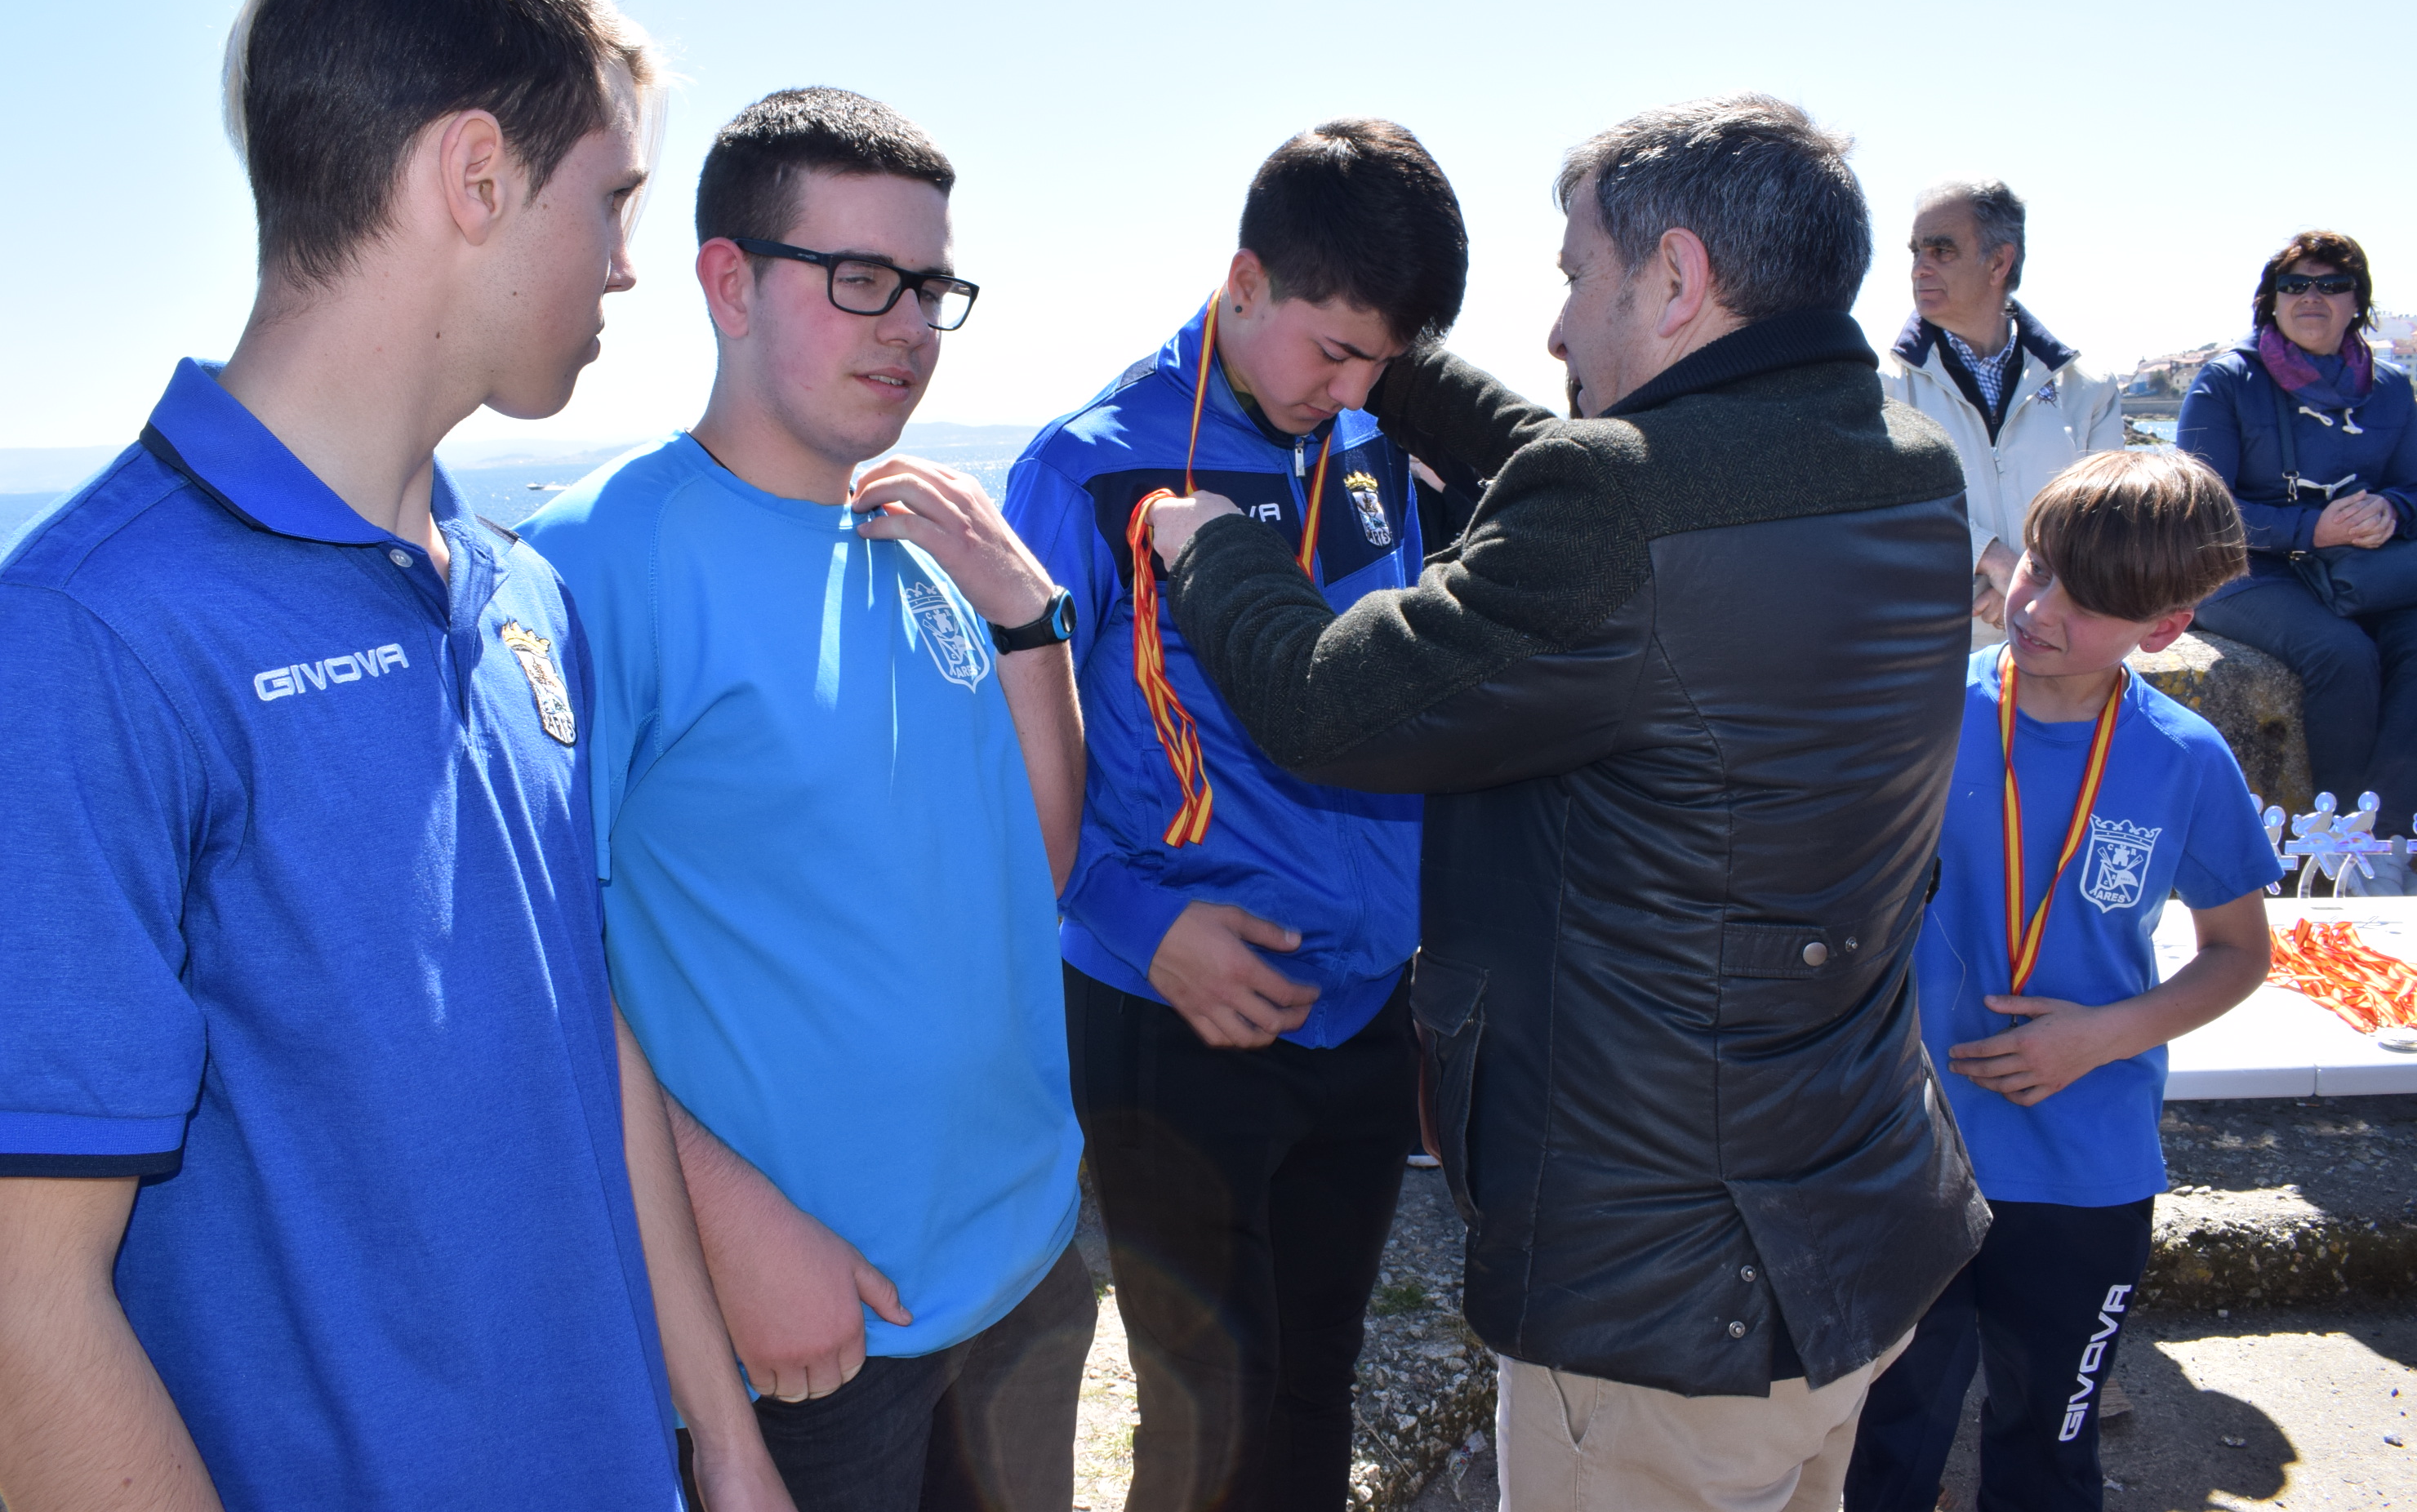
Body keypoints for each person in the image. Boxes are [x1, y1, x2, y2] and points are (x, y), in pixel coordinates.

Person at [0, 0, 785, 1512]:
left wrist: (724, 1436)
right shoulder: (85, 641)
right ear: (475, 176)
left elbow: (581, 1028)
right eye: (610, 198)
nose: (627, 263)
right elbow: (13, 1315)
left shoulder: (523, 595)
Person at [1145, 93, 1989, 1512]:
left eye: (1575, 276)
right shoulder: (1900, 466)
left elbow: (1328, 702)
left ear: (1677, 277)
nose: (1554, 327)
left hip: (1661, 1310)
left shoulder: (1624, 514)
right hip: (1850, 1232)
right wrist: (1399, 365)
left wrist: (1214, 548)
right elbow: (1611, 484)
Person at [519, 87, 1093, 1512]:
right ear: (727, 283)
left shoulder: (923, 540)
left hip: (1026, 1263)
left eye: (930, 287)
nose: (908, 326)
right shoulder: (592, 563)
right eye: (859, 279)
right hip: (808, 1324)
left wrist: (1030, 625)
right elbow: (525, 963)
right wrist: (731, 1229)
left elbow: (1032, 871)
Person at [1002, 119, 1467, 1510]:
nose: (1356, 388)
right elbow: (1009, 768)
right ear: (1246, 280)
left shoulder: (1371, 445)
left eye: (1381, 360)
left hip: (1360, 1009)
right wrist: (1144, 927)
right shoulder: (1087, 465)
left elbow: (1404, 697)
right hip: (1176, 1013)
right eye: (1334, 350)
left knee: (1317, 1386)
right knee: (1208, 1419)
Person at [1845, 450, 2277, 1512]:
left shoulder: (2185, 758)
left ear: (2164, 629)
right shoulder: (1915, 709)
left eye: (2085, 605)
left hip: (2085, 1166)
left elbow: (2239, 952)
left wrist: (2098, 1036)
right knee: (1881, 1443)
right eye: (2037, 570)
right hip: (1906, 1153)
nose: (2037, 610)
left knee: (2049, 1445)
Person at [2180, 231, 2417, 877]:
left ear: (2357, 303)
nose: (2312, 296)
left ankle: (2389, 837)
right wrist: (2314, 528)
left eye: (2332, 284)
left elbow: (2412, 487)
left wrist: (2392, 510)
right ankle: (2342, 846)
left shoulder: (2392, 389)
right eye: (2296, 285)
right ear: (2273, 300)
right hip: (2240, 571)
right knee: (2342, 655)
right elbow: (2201, 505)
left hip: (2356, 571)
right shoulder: (2226, 381)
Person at [1879, 179, 2124, 645]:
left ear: (1999, 262)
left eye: (1941, 251)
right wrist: (1989, 557)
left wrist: (2028, 585)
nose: (1919, 269)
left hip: (2058, 647)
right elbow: (1877, 507)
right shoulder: (1878, 385)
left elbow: (2108, 521)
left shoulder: (2088, 387)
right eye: (1915, 252)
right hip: (1932, 653)